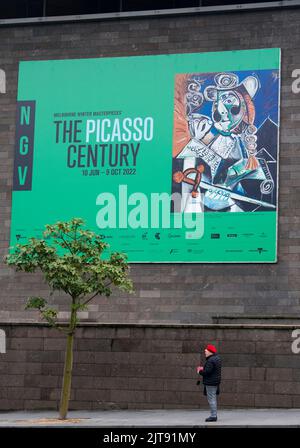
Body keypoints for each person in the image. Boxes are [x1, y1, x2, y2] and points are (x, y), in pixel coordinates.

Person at [196, 344, 222, 422]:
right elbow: (212, 369)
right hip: (215, 381)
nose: (205, 351)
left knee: (211, 399)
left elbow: (207, 372)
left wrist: (200, 371)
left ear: (210, 352)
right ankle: (214, 415)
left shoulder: (211, 360)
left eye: (206, 350)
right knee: (213, 398)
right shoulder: (217, 358)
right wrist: (204, 368)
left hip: (210, 382)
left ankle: (213, 416)